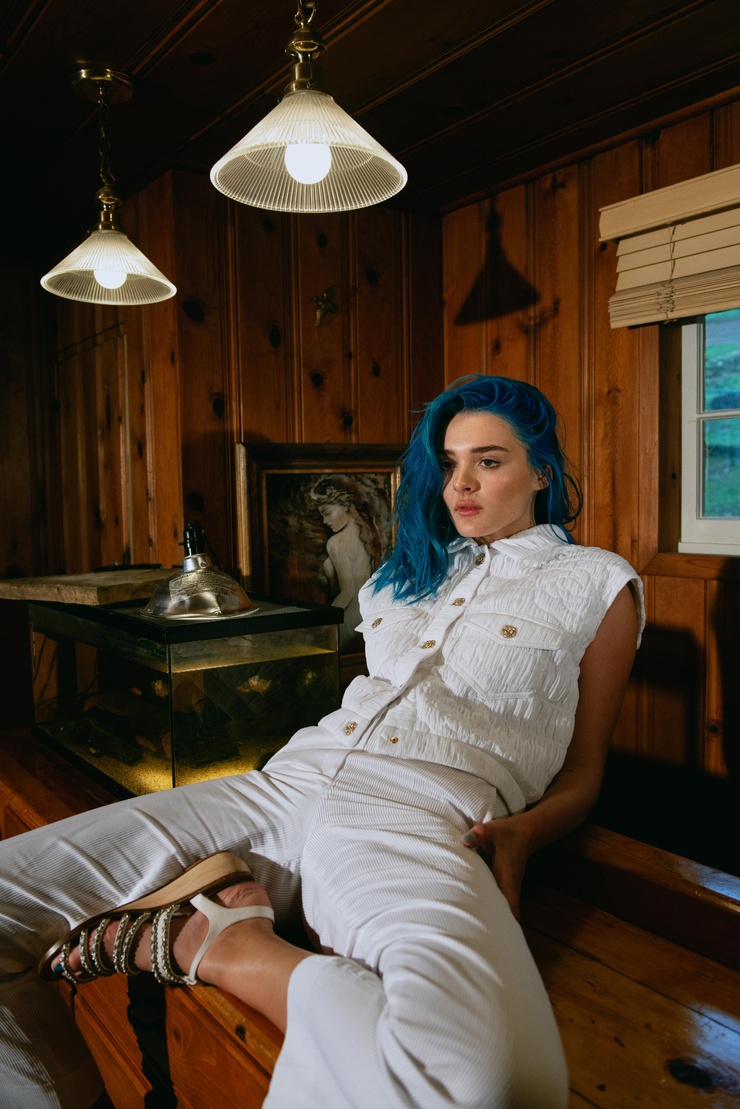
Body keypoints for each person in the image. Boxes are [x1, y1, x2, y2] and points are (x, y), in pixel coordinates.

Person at [0, 375, 644, 1109]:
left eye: (488, 462)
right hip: (285, 781)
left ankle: (226, 946)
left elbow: (584, 771)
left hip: (422, 816)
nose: (460, 484)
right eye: (449, 463)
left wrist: (525, 833)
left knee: (483, 1082)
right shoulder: (405, 575)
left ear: (542, 472)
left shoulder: (596, 583)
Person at [310, 475, 382, 651]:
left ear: (345, 506)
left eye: (327, 513)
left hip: (349, 616)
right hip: (371, 614)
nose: (325, 522)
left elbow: (348, 591)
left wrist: (322, 626)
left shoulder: (336, 543)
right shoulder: (370, 536)